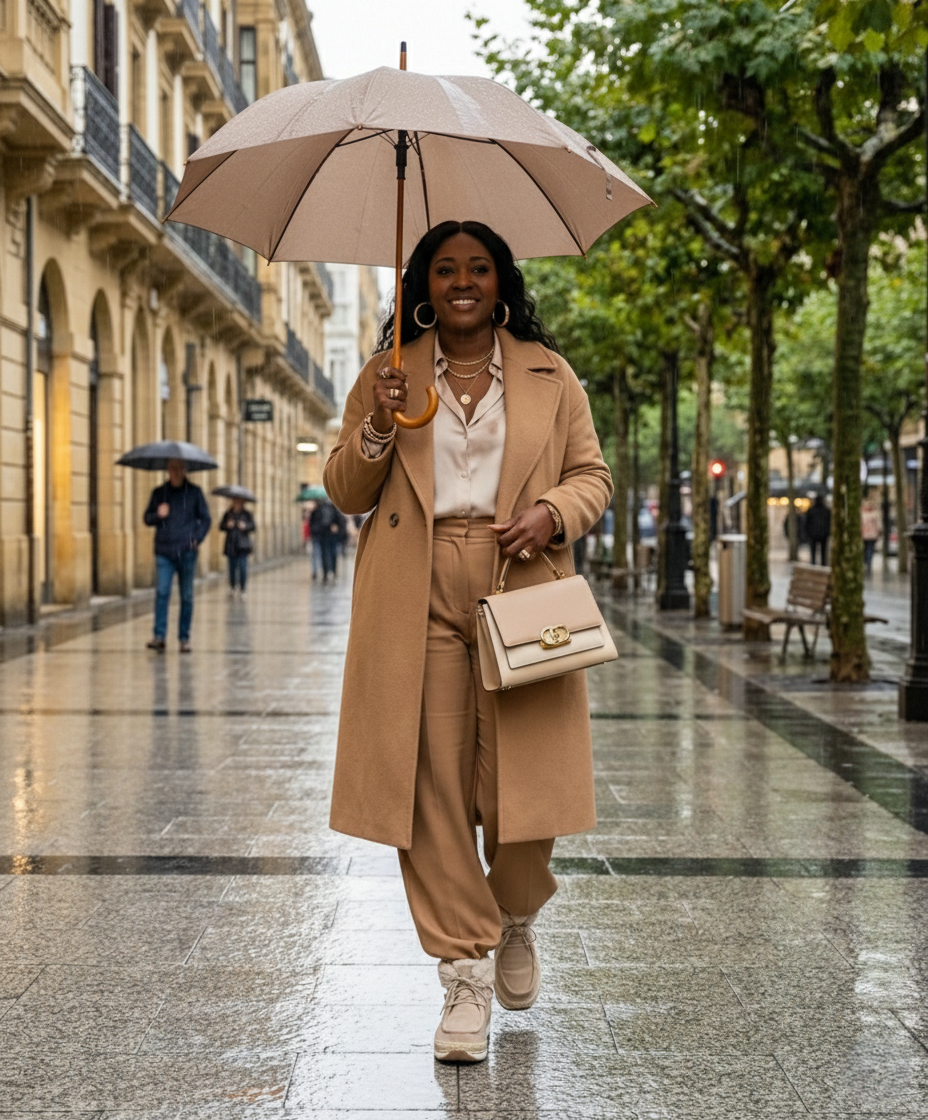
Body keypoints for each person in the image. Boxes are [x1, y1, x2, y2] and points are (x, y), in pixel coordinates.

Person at [323, 220, 612, 1063]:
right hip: (414, 583)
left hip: (519, 577)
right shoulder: (390, 374)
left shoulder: (549, 375)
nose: (461, 281)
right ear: (422, 282)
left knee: (522, 779)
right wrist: (376, 426)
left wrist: (553, 512)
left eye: (477, 268)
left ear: (500, 281)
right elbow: (346, 489)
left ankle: (516, 909)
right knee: (431, 780)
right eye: (444, 268)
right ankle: (464, 975)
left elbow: (592, 475)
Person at [143, 458, 211, 652]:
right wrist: (158, 514)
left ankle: (184, 637)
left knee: (187, 596)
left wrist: (196, 539)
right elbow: (147, 518)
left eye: (179, 467)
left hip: (187, 552)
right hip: (164, 551)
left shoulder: (195, 493)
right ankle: (159, 636)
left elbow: (205, 519)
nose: (175, 471)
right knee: (162, 592)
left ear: (184, 470)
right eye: (172, 467)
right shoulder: (159, 493)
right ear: (167, 470)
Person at [219, 497, 256, 596]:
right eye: (235, 501)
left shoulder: (247, 514)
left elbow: (253, 526)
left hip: (242, 545)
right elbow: (221, 526)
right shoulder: (228, 514)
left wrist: (245, 526)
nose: (237, 503)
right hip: (231, 544)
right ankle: (233, 586)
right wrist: (227, 525)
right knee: (232, 567)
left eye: (239, 502)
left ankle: (243, 588)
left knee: (243, 567)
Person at [309, 497, 346, 582]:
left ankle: (326, 573)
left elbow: (313, 524)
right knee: (333, 554)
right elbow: (341, 522)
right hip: (332, 536)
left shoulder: (317, 510)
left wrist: (318, 531)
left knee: (324, 554)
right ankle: (332, 571)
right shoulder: (334, 509)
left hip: (323, 536)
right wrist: (336, 528)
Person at [805, 493, 831, 565]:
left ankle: (813, 563)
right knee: (823, 552)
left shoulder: (811, 510)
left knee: (813, 552)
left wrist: (808, 533)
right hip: (823, 534)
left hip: (813, 534)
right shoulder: (826, 511)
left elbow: (807, 523)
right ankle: (823, 564)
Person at [861, 493, 881, 576]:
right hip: (871, 535)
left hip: (865, 534)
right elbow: (879, 525)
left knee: (867, 548)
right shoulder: (874, 514)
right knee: (869, 548)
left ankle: (867, 561)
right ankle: (868, 562)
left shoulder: (862, 514)